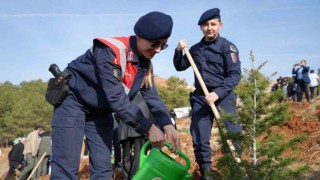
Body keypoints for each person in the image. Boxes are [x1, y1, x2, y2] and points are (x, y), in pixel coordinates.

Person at [50, 11, 180, 180]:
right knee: (66, 167)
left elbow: (151, 95)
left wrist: (167, 124)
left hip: (100, 111)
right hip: (73, 102)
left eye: (163, 45)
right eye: (155, 44)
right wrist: (149, 127)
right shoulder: (111, 51)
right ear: (140, 36)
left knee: (103, 167)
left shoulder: (145, 64)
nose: (158, 50)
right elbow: (117, 99)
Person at [173, 8, 242, 179]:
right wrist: (178, 51)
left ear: (220, 25)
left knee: (232, 134)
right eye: (205, 25)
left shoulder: (228, 47)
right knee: (199, 136)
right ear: (201, 27)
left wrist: (217, 93)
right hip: (201, 98)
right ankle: (206, 172)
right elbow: (180, 66)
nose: (209, 28)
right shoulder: (195, 49)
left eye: (213, 24)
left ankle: (234, 170)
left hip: (223, 96)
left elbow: (235, 75)